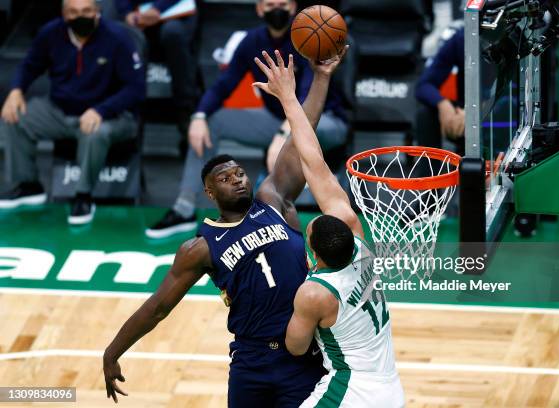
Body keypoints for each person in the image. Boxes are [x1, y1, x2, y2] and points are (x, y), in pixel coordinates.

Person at [103, 48, 348, 406]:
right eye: (225, 177)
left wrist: (321, 77)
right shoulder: (199, 248)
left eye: (240, 173)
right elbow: (158, 307)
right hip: (250, 363)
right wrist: (112, 351)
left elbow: (302, 137)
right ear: (209, 191)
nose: (237, 180)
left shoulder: (273, 201)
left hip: (302, 356)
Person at [252, 50, 405, 406]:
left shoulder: (314, 294)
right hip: (389, 386)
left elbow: (295, 346)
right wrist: (291, 98)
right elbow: (313, 162)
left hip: (352, 393)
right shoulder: (360, 244)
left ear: (314, 254)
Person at [144, 0, 348, 239]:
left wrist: (285, 135)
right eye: (270, 4)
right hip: (277, 120)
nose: (276, 9)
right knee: (211, 123)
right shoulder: (252, 41)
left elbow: (304, 100)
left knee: (294, 136)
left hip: (325, 121)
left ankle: (283, 213)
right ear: (259, 9)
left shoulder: (306, 37)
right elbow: (224, 84)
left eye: (282, 4)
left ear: (293, 7)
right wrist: (199, 116)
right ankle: (184, 208)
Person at [0, 0, 145, 224]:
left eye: (86, 11)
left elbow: (136, 88)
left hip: (113, 115)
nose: (81, 17)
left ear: (98, 12)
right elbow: (29, 65)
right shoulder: (51, 33)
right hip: (60, 111)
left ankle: (83, 196)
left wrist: (101, 110)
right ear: (64, 14)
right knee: (14, 116)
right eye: (74, 12)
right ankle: (28, 185)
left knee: (95, 133)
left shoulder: (118, 38)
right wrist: (16, 90)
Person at [114, 0, 200, 135]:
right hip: (138, 11)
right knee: (127, 34)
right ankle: (128, 112)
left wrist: (157, 9)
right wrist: (127, 12)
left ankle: (187, 110)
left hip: (177, 9)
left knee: (173, 33)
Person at [415, 28, 465, 155]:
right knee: (426, 113)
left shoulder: (509, 34)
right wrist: (443, 104)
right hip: (462, 113)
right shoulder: (461, 38)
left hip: (497, 109)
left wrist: (476, 113)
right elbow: (423, 85)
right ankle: (429, 173)